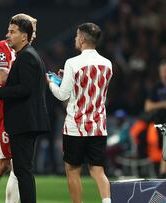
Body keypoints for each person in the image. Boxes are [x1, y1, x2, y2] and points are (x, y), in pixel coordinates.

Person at [0, 17, 50, 203]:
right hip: (26, 122)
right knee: (21, 170)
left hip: (24, 123)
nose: (8, 35)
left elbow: (24, 89)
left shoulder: (26, 57)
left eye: (12, 32)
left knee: (22, 171)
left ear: (24, 36)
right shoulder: (29, 55)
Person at [47, 22, 112, 203]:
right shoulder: (108, 64)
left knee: (73, 170)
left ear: (82, 39)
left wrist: (51, 82)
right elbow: (92, 88)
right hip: (99, 126)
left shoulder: (72, 63)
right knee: (98, 170)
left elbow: (62, 95)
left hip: (76, 126)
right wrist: (69, 79)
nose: (75, 39)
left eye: (76, 36)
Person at [144, 60, 166, 178]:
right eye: (162, 71)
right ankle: (162, 176)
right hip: (160, 123)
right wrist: (162, 104)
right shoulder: (156, 87)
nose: (164, 74)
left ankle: (162, 175)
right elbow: (147, 107)